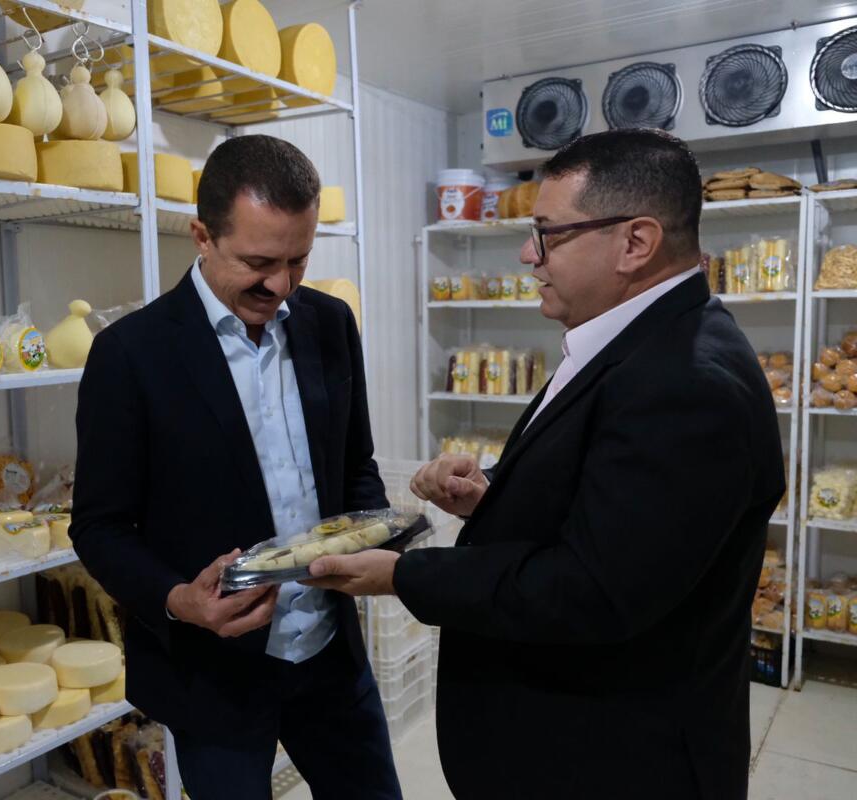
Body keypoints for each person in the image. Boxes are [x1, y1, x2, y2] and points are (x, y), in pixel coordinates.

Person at [306, 128, 785, 800]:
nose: (529, 254)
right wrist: (494, 499)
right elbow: (620, 524)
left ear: (636, 242)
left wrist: (403, 574)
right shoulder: (637, 342)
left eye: (549, 234)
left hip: (614, 762)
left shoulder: (686, 383)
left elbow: (592, 591)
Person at [71, 134, 402, 800]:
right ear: (202, 236)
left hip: (329, 653)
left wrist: (374, 537)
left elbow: (354, 465)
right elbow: (99, 527)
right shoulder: (131, 354)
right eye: (258, 262)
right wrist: (179, 600)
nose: (280, 285)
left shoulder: (330, 324)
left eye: (298, 260)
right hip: (212, 672)